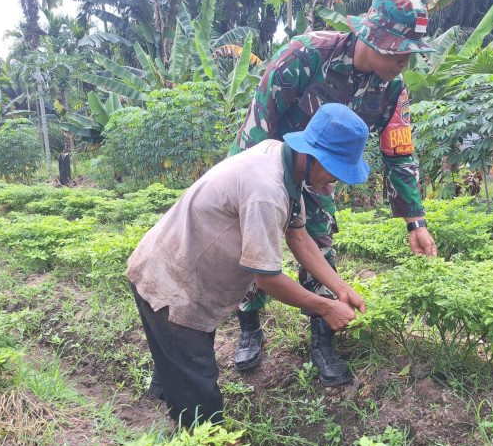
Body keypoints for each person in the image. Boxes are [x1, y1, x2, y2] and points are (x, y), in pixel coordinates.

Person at [230, 0, 438, 386]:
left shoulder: (393, 91)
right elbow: (259, 123)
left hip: (320, 178)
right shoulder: (305, 55)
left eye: (409, 54)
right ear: (372, 38)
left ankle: (323, 338)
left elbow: (399, 153)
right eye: (398, 52)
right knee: (254, 246)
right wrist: (252, 190)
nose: (404, 63)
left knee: (320, 244)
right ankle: (249, 325)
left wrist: (416, 222)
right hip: (272, 165)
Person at [126, 104, 369, 427]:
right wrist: (325, 308)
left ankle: (170, 423)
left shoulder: (281, 159)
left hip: (184, 273)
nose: (333, 180)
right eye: (334, 170)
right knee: (198, 390)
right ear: (313, 156)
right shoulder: (266, 191)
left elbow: (299, 238)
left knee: (179, 370)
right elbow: (268, 279)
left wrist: (341, 289)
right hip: (171, 284)